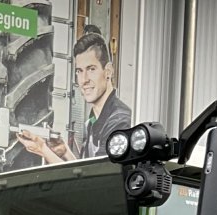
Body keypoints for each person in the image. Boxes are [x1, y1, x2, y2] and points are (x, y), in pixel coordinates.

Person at [15, 32, 133, 163]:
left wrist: (43, 149)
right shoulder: (94, 120)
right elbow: (87, 170)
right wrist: (65, 152)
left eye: (91, 69)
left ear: (108, 72)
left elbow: (95, 179)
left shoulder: (119, 121)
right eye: (79, 71)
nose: (84, 80)